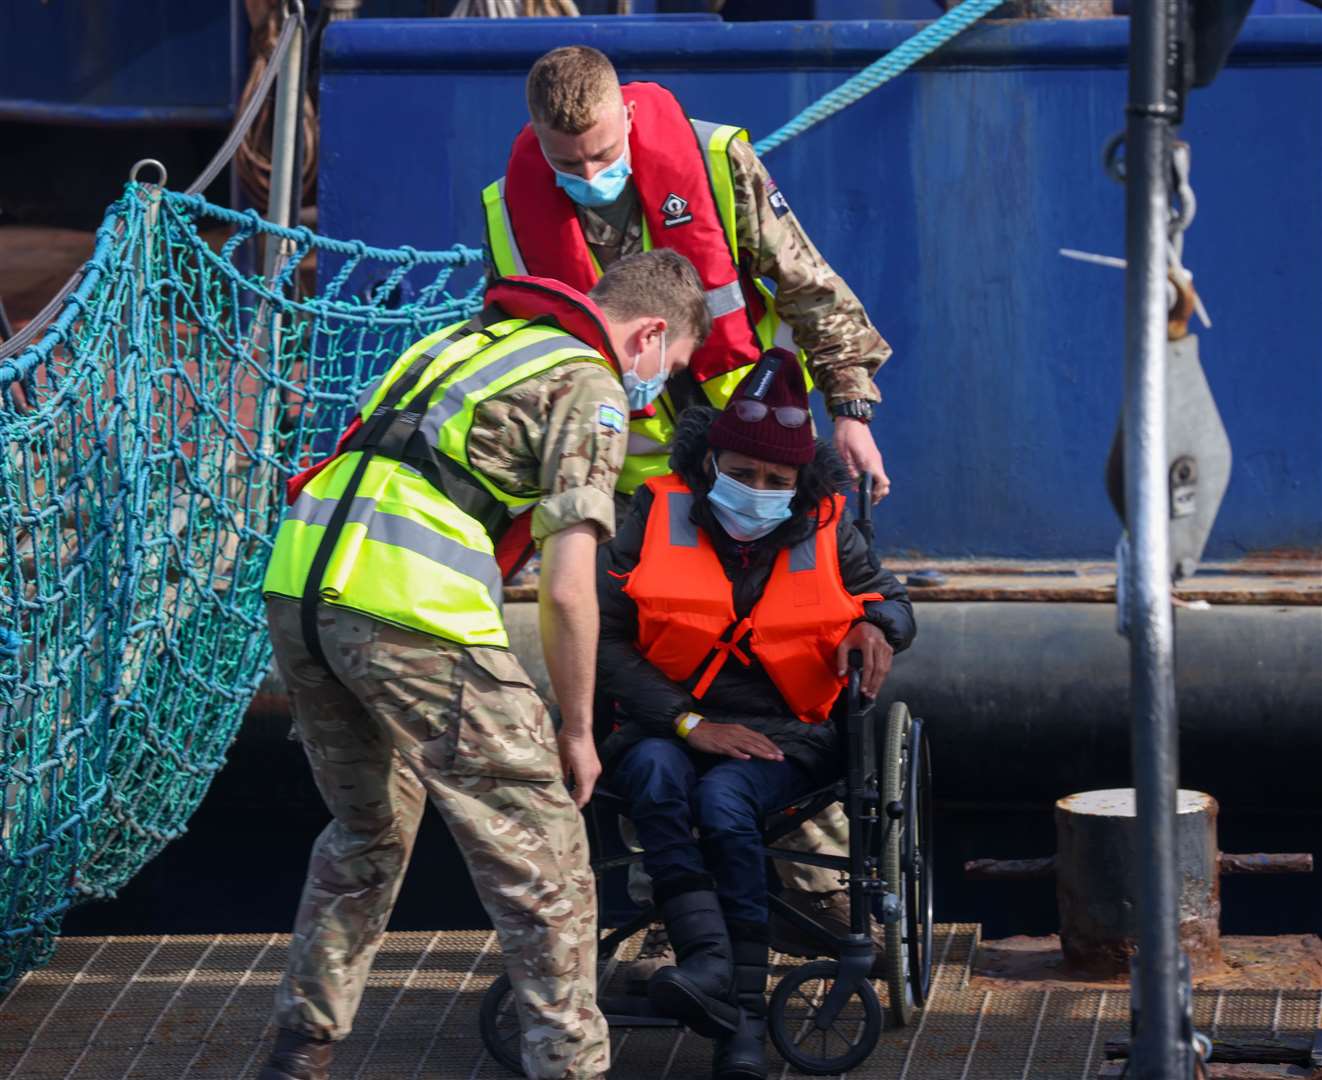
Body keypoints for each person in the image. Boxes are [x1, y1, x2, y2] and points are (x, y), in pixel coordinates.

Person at [483, 43, 895, 973]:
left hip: (755, 463)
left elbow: (807, 283)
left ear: (627, 117)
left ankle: (823, 898)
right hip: (633, 495)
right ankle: (677, 918)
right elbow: (514, 349)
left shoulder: (715, 160)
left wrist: (852, 410)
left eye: (600, 153)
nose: (588, 176)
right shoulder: (509, 215)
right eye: (566, 163)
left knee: (787, 658)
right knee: (642, 697)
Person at [255, 250, 712, 1080]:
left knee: (367, 831)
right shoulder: (592, 385)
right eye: (669, 368)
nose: (656, 388)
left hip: (299, 594)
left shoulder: (461, 343)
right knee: (546, 855)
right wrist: (576, 728)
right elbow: (571, 588)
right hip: (408, 611)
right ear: (650, 334)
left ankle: (300, 1049)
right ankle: (571, 1068)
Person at [594, 352, 916, 1080]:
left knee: (723, 798)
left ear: (801, 485)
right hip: (665, 724)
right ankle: (715, 973)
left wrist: (879, 627)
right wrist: (685, 722)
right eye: (741, 472)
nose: (758, 490)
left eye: (776, 482)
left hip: (788, 738)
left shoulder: (829, 528)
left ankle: (733, 1011)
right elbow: (603, 639)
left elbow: (892, 600)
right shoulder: (653, 512)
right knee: (651, 773)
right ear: (711, 463)